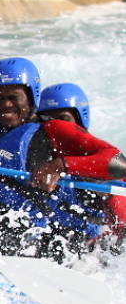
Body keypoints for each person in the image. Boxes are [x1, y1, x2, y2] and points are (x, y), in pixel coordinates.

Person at [0, 58, 126, 261]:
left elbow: (119, 164)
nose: (5, 104)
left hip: (24, 241)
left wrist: (61, 165)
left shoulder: (53, 131)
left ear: (31, 96)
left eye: (13, 97)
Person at [37, 82, 126, 253]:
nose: (56, 126)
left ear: (80, 119)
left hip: (90, 249)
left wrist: (107, 194)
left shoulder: (99, 161)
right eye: (48, 119)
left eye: (63, 119)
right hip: (48, 240)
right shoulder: (38, 159)